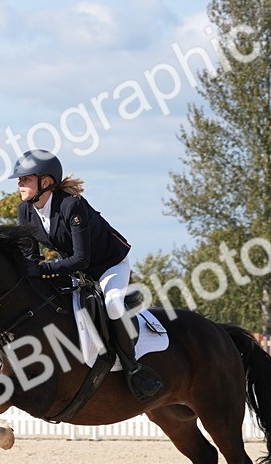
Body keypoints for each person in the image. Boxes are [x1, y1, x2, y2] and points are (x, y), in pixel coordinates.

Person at [11, 149, 162, 401]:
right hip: (74, 268)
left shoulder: (72, 206)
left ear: (45, 182)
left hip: (108, 264)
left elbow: (82, 258)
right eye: (20, 180)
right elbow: (31, 256)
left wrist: (44, 269)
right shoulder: (25, 211)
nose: (19, 184)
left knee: (113, 305)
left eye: (25, 179)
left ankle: (133, 368)